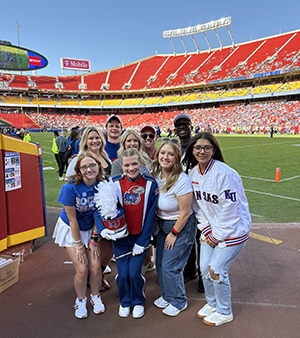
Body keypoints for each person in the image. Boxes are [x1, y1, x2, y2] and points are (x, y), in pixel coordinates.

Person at [183, 132, 251, 326]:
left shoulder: (225, 173)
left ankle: (224, 311)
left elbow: (231, 209)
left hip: (234, 230)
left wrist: (217, 235)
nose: (201, 151)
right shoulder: (193, 173)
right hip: (211, 231)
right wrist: (206, 230)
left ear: (214, 150)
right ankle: (212, 304)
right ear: (192, 150)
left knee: (216, 269)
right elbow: (198, 206)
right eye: (198, 147)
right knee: (204, 269)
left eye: (206, 148)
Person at [101, 148, 158, 318]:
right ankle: (125, 301)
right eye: (126, 165)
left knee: (134, 273)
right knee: (123, 274)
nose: (131, 168)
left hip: (139, 239)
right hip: (121, 239)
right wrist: (108, 229)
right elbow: (105, 209)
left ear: (141, 163)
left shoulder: (150, 184)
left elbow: (150, 216)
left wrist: (143, 241)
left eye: (135, 164)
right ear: (121, 165)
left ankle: (138, 300)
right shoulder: (115, 183)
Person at [52, 152, 106, 319]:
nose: (89, 169)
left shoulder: (102, 185)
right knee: (82, 269)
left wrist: (94, 238)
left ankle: (95, 296)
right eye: (84, 167)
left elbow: (99, 213)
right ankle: (80, 300)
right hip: (72, 230)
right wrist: (79, 245)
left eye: (92, 165)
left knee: (96, 267)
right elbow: (72, 219)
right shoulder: (70, 187)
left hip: (91, 229)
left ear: (99, 166)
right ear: (79, 170)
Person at [152, 141, 197, 317]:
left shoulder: (181, 179)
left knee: (171, 266)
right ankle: (167, 295)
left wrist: (174, 233)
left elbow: (185, 212)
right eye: (163, 153)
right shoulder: (156, 176)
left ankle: (179, 300)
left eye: (170, 154)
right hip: (162, 225)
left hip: (180, 226)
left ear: (177, 158)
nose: (165, 157)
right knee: (160, 264)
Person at [65, 126, 112, 290]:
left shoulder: (107, 159)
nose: (94, 141)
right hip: (83, 215)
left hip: (102, 213)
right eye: (91, 138)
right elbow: (70, 188)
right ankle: (90, 278)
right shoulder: (78, 160)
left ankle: (99, 272)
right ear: (85, 140)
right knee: (87, 253)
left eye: (97, 137)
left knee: (108, 247)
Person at [173, 112, 204, 292]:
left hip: (200, 201)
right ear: (175, 129)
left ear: (192, 126)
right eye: (179, 125)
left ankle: (201, 273)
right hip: (183, 201)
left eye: (186, 124)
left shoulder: (198, 146)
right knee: (187, 238)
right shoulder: (175, 148)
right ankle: (190, 269)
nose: (182, 127)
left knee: (202, 238)